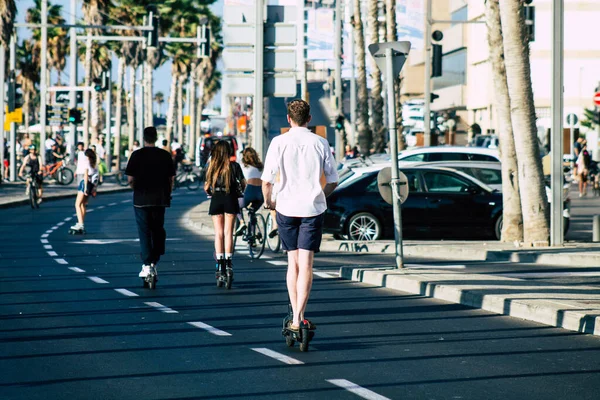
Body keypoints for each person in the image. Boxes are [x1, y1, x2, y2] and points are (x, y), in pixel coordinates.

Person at [261, 99, 338, 332]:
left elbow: (266, 181)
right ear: (309, 119)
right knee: (306, 265)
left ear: (288, 119)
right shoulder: (321, 142)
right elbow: (333, 180)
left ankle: (295, 318)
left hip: (286, 207)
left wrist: (269, 202)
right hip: (312, 209)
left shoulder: (278, 142)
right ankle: (299, 317)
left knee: (292, 263)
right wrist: (321, 196)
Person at [126, 127, 176, 280]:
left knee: (144, 231)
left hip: (141, 200)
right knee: (157, 228)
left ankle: (147, 264)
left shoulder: (136, 155)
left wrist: (136, 188)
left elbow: (130, 179)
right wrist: (168, 192)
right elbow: (171, 179)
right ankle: (155, 258)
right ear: (156, 138)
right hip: (160, 199)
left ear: (144, 138)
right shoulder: (165, 155)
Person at [204, 141, 246, 282]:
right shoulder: (234, 166)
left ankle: (219, 263)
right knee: (229, 232)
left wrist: (211, 191)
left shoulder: (212, 167)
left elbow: (206, 187)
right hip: (230, 199)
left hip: (216, 199)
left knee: (219, 233)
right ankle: (228, 263)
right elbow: (243, 183)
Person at [234, 147, 264, 236]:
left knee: (235, 205)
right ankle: (252, 237)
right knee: (252, 212)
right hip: (260, 192)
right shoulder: (261, 166)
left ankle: (242, 222)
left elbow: (239, 179)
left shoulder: (243, 165)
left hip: (249, 191)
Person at [69, 149, 99, 233]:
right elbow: (97, 177)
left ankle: (80, 224)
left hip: (85, 184)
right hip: (91, 185)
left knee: (77, 204)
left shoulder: (87, 163)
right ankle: (81, 222)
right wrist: (94, 188)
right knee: (83, 204)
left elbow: (86, 175)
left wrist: (85, 187)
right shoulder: (95, 165)